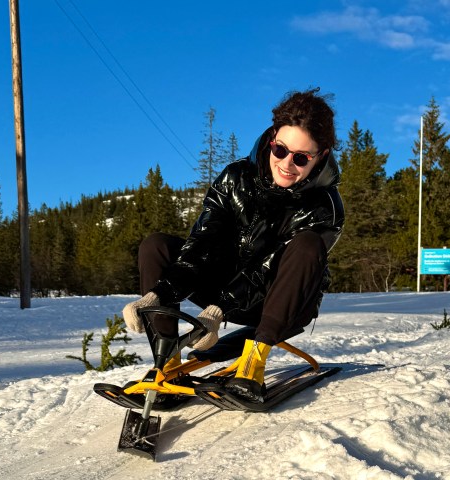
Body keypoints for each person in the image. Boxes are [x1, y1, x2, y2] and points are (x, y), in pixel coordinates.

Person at [122, 88, 344, 403]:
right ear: (272, 140)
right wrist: (160, 294)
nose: (286, 164)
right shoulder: (236, 178)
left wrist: (217, 311)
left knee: (307, 245)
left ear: (319, 157)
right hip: (228, 291)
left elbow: (268, 268)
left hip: (281, 302)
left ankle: (253, 366)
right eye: (280, 150)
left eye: (300, 158)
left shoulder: (324, 208)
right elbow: (202, 243)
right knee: (157, 245)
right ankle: (167, 362)